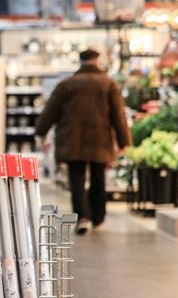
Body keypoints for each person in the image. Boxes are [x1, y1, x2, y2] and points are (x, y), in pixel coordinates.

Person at [35, 48, 130, 235]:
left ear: (81, 62)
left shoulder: (67, 84)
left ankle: (82, 218)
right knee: (98, 177)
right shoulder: (108, 84)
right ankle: (98, 217)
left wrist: (40, 130)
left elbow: (50, 111)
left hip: (73, 139)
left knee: (76, 178)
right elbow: (118, 115)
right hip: (100, 139)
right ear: (97, 60)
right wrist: (123, 140)